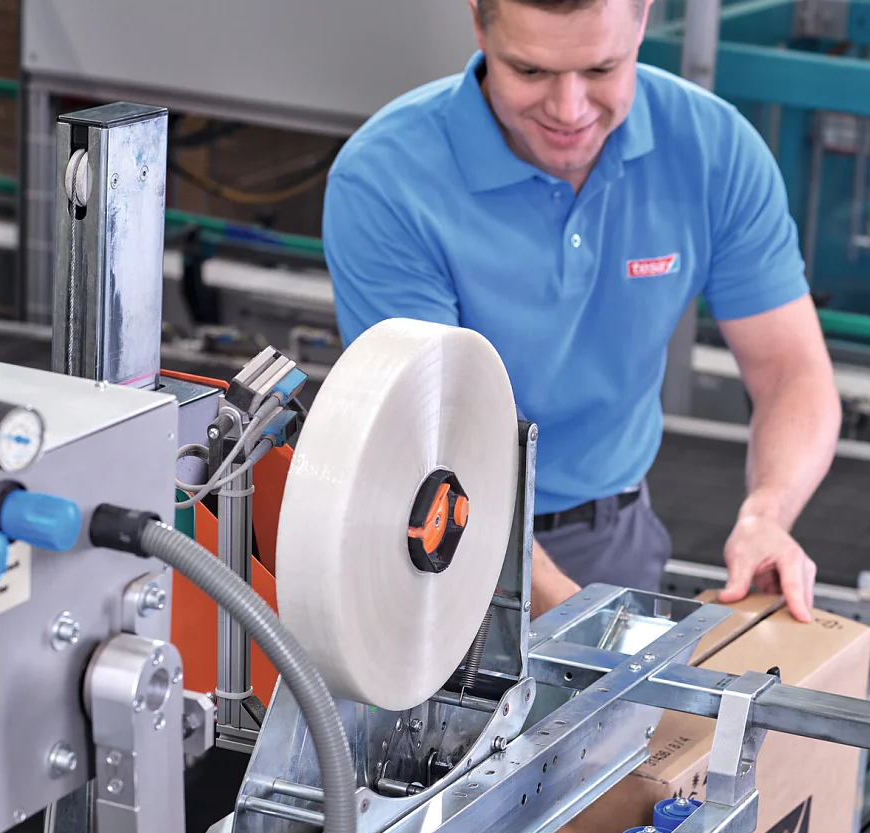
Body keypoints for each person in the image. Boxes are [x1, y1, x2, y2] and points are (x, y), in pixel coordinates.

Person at [323, 0, 839, 620]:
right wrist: (582, 631)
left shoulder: (713, 150)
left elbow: (791, 373)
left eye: (601, 70)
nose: (568, 110)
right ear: (480, 26)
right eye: (530, 72)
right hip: (438, 533)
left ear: (643, 20)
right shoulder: (386, 178)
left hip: (611, 537)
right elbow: (435, 440)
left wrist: (767, 515)